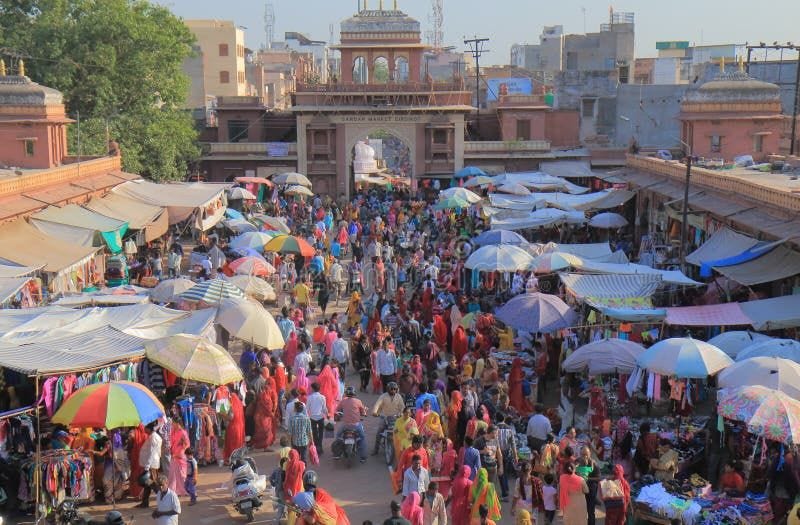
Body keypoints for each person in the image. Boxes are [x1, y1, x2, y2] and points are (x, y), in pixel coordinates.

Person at [334, 386, 368, 462]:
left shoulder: (343, 401)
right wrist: (364, 413)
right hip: (356, 425)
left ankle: (337, 454)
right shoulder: (358, 401)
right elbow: (363, 412)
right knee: (362, 438)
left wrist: (339, 414)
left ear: (346, 393)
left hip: (345, 425)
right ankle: (363, 457)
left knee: (338, 436)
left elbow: (337, 410)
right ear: (354, 393)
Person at [372, 382, 405, 455]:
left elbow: (402, 407)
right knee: (379, 432)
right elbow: (377, 404)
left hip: (395, 418)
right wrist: (374, 412)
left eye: (394, 389)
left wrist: (401, 413)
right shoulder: (383, 396)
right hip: (384, 417)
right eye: (391, 389)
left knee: (402, 432)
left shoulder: (398, 396)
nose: (393, 390)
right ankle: (376, 450)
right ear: (388, 389)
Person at [138, 422, 162, 508]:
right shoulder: (153, 436)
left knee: (153, 484)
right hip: (151, 464)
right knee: (147, 484)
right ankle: (145, 503)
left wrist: (147, 466)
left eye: (145, 428)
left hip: (151, 465)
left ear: (148, 429)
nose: (144, 429)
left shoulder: (153, 437)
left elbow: (152, 453)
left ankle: (163, 499)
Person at [576, 446, 600, 525]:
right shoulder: (577, 462)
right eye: (583, 454)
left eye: (586, 454)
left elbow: (598, 478)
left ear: (590, 454)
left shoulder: (594, 463)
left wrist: (587, 479)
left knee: (590, 511)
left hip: (591, 490)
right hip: (580, 491)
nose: (585, 456)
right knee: (580, 511)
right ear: (580, 454)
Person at [167, 419, 190, 497]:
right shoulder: (172, 431)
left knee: (181, 474)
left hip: (180, 455)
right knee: (173, 473)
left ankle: (183, 490)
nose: (172, 424)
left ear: (177, 423)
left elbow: (187, 444)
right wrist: (170, 449)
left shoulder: (183, 432)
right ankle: (174, 490)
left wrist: (182, 449)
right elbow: (171, 442)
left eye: (173, 423)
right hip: (173, 454)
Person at [223, 391, 245, 463]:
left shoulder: (231, 404)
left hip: (233, 427)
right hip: (240, 426)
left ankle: (231, 459)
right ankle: (237, 459)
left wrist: (223, 415)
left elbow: (231, 417)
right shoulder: (239, 404)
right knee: (238, 443)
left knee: (231, 443)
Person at [307, 383, 328, 456]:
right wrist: (327, 414)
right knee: (321, 433)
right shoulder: (322, 397)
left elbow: (307, 408)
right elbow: (324, 408)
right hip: (320, 417)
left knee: (315, 433)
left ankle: (316, 448)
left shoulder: (310, 397)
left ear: (313, 389)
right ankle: (320, 447)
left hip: (312, 418)